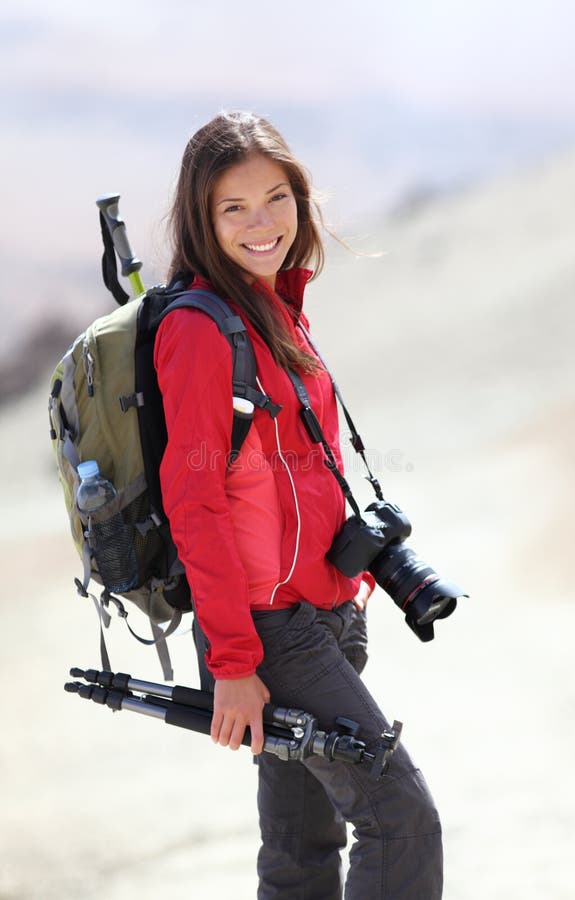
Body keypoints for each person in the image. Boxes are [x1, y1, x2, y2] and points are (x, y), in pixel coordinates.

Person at [154, 110, 443, 899]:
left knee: (302, 844)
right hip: (271, 633)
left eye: (276, 198)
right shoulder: (199, 330)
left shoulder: (274, 306)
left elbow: (296, 475)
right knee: (402, 820)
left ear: (301, 200)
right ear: (201, 219)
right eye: (233, 208)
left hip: (325, 612)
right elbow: (197, 504)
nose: (262, 224)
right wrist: (235, 663)